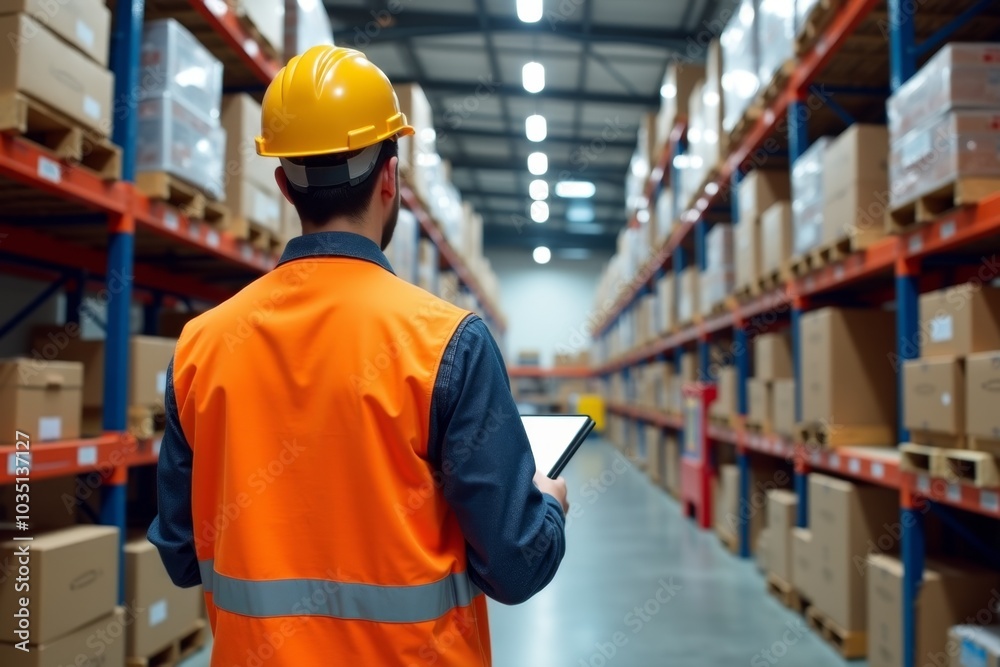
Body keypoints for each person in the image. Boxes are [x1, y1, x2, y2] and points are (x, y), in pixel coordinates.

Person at [147, 45, 568, 666]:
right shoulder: (448, 341)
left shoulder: (201, 346)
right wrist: (548, 509)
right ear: (390, 179)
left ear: (283, 184)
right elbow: (513, 565)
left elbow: (182, 554)